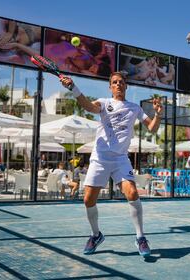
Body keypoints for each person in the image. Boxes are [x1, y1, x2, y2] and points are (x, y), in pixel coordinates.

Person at [60, 71, 163, 257]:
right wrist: (73, 87)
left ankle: (141, 238)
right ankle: (96, 235)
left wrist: (158, 114)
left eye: (121, 82)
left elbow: (153, 128)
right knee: (88, 199)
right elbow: (87, 106)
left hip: (120, 159)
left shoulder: (134, 108)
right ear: (110, 87)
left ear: (126, 86)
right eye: (114, 82)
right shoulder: (104, 103)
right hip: (99, 158)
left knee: (132, 192)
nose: (118, 85)